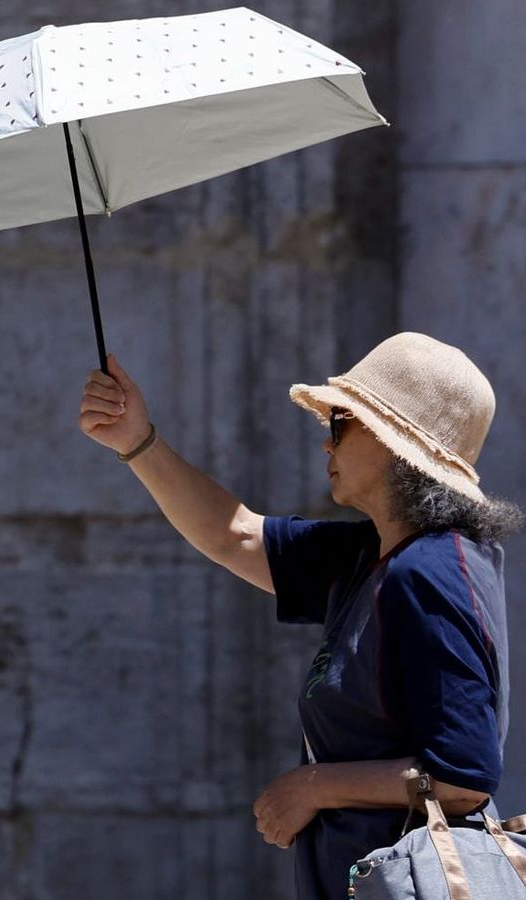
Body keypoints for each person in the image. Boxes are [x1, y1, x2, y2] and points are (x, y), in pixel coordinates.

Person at [78, 332, 521, 899]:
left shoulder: (429, 572)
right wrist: (137, 442)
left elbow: (464, 778)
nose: (326, 444)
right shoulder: (377, 554)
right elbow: (234, 534)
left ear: (391, 444)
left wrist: (314, 786)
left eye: (339, 423)